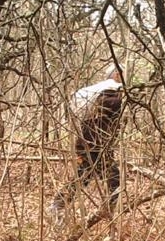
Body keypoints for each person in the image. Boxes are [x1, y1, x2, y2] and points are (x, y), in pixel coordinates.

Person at [49, 68, 125, 219]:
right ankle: (58, 205)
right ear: (116, 74)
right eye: (121, 75)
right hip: (94, 143)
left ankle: (59, 205)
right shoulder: (109, 91)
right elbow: (111, 105)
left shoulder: (98, 94)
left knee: (89, 176)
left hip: (94, 143)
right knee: (103, 177)